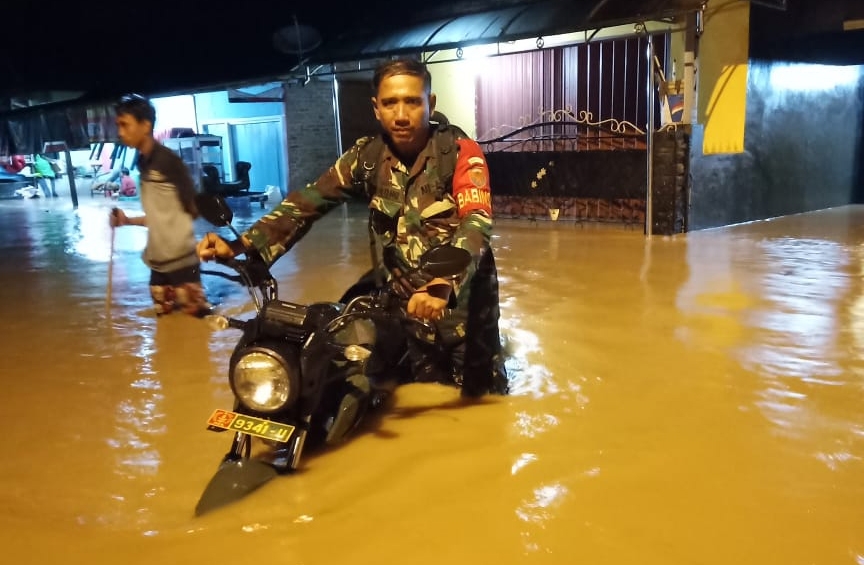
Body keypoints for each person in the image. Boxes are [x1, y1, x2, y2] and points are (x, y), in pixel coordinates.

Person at [197, 58, 507, 397]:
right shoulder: (367, 158)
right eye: (390, 103)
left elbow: (476, 221)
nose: (401, 115)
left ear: (430, 104)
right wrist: (242, 244)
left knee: (483, 401)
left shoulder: (461, 153)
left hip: (466, 310)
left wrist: (443, 283)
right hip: (406, 310)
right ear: (376, 108)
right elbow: (308, 202)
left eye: (412, 101)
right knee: (424, 397)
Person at [109, 94, 212, 317]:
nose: (120, 132)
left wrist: (177, 242)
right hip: (157, 265)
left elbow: (191, 209)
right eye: (118, 125)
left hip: (181, 264)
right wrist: (127, 221)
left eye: (125, 125)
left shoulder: (168, 162)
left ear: (145, 126)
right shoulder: (142, 162)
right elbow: (159, 216)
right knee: (165, 331)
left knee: (197, 327)